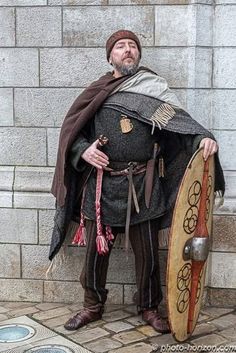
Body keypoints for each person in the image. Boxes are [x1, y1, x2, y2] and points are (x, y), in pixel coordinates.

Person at [49, 30, 225, 334]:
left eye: (132, 46)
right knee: (95, 250)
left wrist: (202, 137)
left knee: (147, 253)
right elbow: (73, 134)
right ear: (110, 56)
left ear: (138, 54)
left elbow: (178, 126)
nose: (128, 50)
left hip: (143, 186)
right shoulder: (97, 92)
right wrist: (84, 150)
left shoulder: (153, 90)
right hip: (101, 187)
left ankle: (147, 306)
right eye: (120, 47)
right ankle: (92, 304)